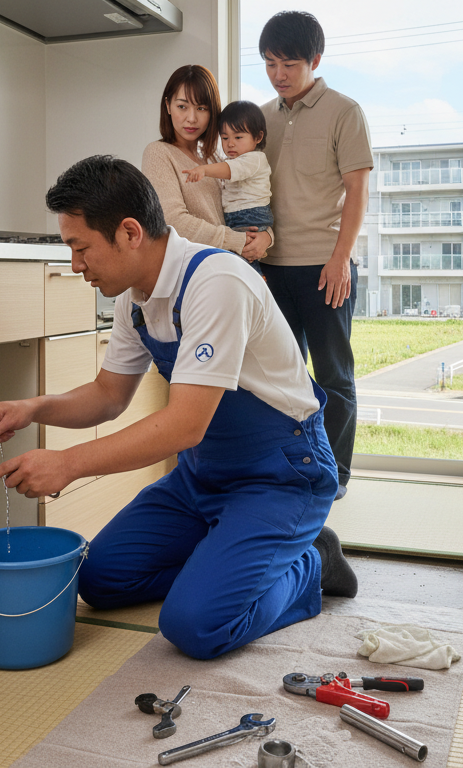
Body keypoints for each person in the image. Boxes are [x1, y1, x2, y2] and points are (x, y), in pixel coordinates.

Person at [0, 155, 358, 661]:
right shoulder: (136, 300)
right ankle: (227, 556)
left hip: (279, 477)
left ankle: (311, 563)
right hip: (202, 478)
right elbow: (107, 395)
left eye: (81, 249)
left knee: (196, 626)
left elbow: (185, 424)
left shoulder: (216, 284)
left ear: (129, 232)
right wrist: (32, 408)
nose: (76, 266)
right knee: (99, 579)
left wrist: (67, 464)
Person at [257, 12, 373, 501]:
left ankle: (336, 475)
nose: (279, 74)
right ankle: (289, 470)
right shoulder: (260, 116)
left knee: (334, 375)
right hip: (269, 267)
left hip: (326, 267)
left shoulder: (344, 111)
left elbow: (357, 188)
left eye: (289, 64)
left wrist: (341, 257)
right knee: (279, 377)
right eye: (269, 63)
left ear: (315, 61)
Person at [142, 65, 272, 272]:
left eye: (201, 108)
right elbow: (174, 222)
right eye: (182, 106)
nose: (191, 118)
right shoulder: (158, 153)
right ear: (168, 106)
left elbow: (247, 201)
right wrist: (238, 241)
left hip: (225, 268)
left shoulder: (215, 157)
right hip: (190, 273)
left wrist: (266, 236)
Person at [183, 100, 273, 274]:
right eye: (224, 138)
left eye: (238, 137)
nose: (230, 144)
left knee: (245, 257)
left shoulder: (255, 159)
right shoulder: (234, 159)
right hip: (239, 216)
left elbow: (229, 171)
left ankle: (257, 280)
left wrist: (204, 170)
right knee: (241, 257)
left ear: (258, 137)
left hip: (250, 215)